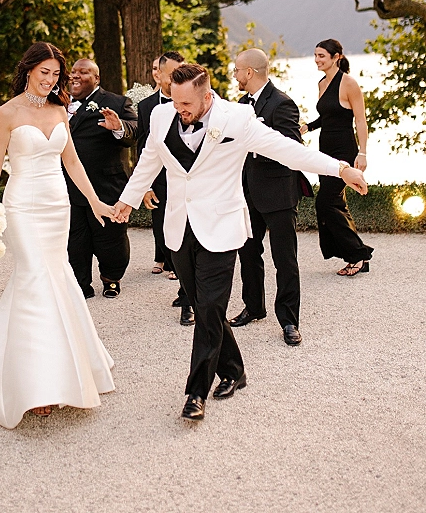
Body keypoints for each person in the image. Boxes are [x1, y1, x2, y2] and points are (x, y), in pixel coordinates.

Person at [114, 64, 368, 422]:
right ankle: (234, 369)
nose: (179, 109)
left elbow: (288, 150)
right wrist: (128, 199)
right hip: (179, 227)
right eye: (174, 101)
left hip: (221, 227)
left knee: (207, 309)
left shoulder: (237, 119)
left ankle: (195, 393)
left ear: (207, 95)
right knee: (209, 308)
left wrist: (341, 168)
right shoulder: (160, 115)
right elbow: (149, 161)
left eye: (186, 103)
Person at [0, 42, 116, 429]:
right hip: (22, 207)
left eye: (55, 74)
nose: (50, 80)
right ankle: (35, 385)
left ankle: (68, 366)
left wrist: (96, 202)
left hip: (56, 207)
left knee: (57, 278)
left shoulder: (59, 108)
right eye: (44, 72)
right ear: (29, 70)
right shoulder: (7, 112)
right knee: (32, 279)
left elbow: (72, 161)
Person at [229, 49, 311, 346]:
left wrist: (259, 139)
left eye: (237, 70)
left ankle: (289, 320)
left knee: (284, 259)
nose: (234, 75)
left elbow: (292, 147)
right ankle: (254, 307)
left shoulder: (282, 103)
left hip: (277, 192)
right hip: (247, 190)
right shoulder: (239, 105)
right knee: (248, 253)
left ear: (249, 72)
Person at [65, 59, 138, 299]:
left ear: (96, 79)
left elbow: (135, 131)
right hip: (68, 186)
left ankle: (111, 278)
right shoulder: (60, 103)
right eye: (73, 72)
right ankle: (80, 285)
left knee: (111, 240)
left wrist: (119, 127)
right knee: (75, 240)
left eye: (83, 72)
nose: (75, 76)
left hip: (106, 185)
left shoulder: (116, 102)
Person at [301, 38, 374, 276]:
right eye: (315, 55)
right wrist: (307, 127)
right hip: (325, 151)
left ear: (336, 57)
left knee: (326, 201)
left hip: (344, 150)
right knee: (335, 203)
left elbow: (360, 120)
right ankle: (354, 254)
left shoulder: (349, 83)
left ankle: (359, 255)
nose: (317, 60)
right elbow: (327, 116)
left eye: (322, 55)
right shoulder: (322, 83)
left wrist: (362, 153)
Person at [138, 52, 194, 326]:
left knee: (192, 242)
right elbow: (144, 149)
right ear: (159, 75)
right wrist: (144, 186)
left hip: (195, 187)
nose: (180, 79)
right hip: (162, 182)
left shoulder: (200, 101)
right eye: (173, 75)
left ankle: (189, 300)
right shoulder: (150, 107)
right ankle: (186, 289)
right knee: (170, 238)